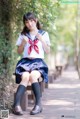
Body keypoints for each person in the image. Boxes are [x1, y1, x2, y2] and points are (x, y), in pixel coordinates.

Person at [12, 12, 51, 115]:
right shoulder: (23, 35)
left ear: (35, 20)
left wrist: (42, 40)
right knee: (25, 77)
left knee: (33, 76)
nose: (29, 23)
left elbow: (47, 51)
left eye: (31, 20)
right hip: (25, 62)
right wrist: (23, 43)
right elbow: (19, 52)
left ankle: (38, 105)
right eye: (26, 22)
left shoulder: (44, 34)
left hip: (38, 62)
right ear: (25, 23)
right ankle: (16, 105)